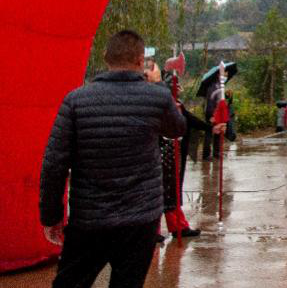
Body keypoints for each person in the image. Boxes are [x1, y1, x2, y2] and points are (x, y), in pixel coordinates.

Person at [40, 29, 186, 288]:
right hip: (141, 220)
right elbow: (177, 129)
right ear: (140, 61)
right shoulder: (157, 97)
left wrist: (51, 216)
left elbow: (54, 164)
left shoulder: (76, 101)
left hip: (89, 218)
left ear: (106, 56)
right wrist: (159, 88)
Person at [143, 59, 212, 242]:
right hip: (157, 151)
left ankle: (177, 225)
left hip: (173, 151)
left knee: (172, 189)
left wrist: (210, 128)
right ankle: (154, 229)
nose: (179, 88)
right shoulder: (153, 99)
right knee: (159, 191)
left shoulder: (174, 101)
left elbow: (187, 119)